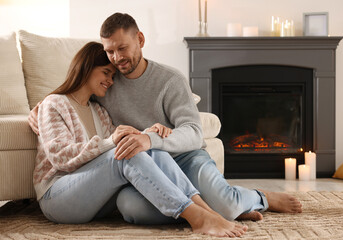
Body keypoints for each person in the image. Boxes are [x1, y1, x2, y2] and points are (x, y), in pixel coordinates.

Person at [29, 12, 302, 226]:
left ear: (141, 40)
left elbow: (194, 132)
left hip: (184, 156)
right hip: (145, 164)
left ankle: (258, 198)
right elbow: (77, 106)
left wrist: (151, 137)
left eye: (122, 48)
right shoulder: (106, 87)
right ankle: (203, 210)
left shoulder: (169, 80)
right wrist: (41, 110)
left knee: (226, 205)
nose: (116, 59)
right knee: (133, 209)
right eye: (110, 52)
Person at [34, 41, 247, 237]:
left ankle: (206, 210)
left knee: (143, 146)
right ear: (86, 68)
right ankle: (197, 217)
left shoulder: (98, 111)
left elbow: (119, 143)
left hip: (94, 198)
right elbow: (60, 157)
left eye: (112, 76)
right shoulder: (54, 104)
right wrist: (112, 142)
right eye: (106, 73)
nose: (110, 81)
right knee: (126, 154)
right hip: (58, 196)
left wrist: (149, 134)